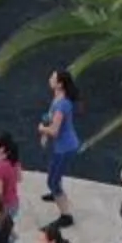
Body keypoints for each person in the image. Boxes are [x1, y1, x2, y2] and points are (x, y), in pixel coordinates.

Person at [37, 66, 83, 207]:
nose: (49, 79)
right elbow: (50, 117)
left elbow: (55, 131)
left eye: (53, 78)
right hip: (61, 146)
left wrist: (42, 129)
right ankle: (56, 192)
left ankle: (65, 213)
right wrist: (45, 134)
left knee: (52, 180)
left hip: (66, 148)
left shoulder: (62, 104)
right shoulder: (57, 98)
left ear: (60, 84)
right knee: (55, 172)